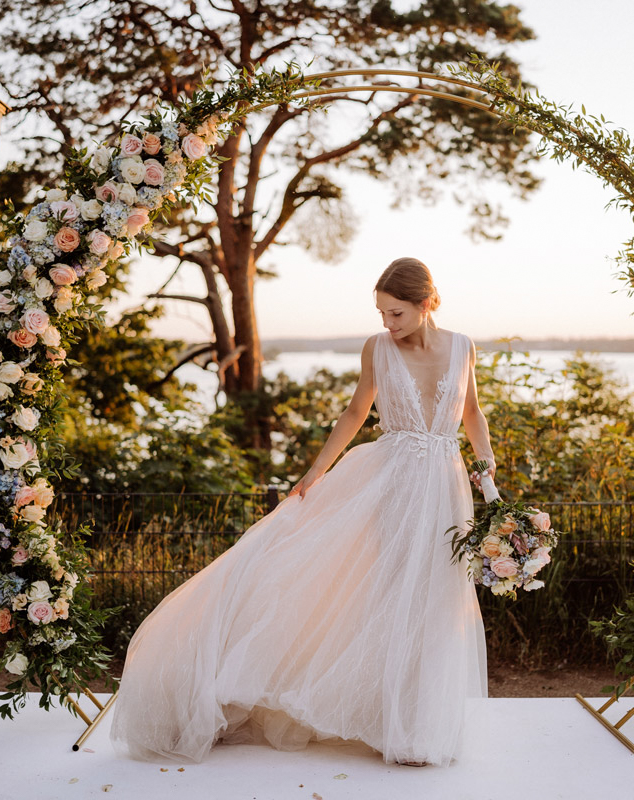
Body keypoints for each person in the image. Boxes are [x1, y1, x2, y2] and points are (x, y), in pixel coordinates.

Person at [108, 256, 497, 768]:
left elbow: (471, 412)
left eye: (396, 313)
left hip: (446, 488)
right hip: (392, 484)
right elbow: (357, 411)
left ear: (427, 304)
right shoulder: (377, 349)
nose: (386, 323)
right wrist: (315, 472)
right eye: (381, 312)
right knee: (392, 594)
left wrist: (488, 474)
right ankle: (386, 721)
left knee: (436, 601)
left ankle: (420, 726)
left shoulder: (463, 346)